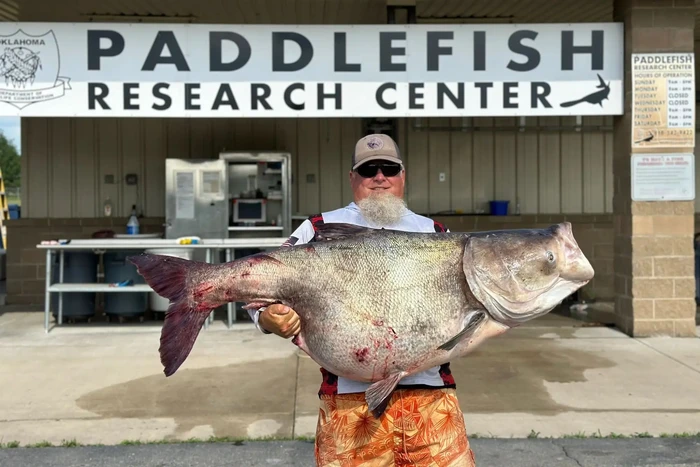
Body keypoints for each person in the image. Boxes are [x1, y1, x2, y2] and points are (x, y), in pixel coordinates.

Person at [248, 133, 476, 466]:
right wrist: (268, 318)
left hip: (430, 400)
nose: (380, 177)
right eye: (369, 170)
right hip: (349, 405)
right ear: (353, 178)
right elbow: (257, 289)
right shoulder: (318, 228)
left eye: (389, 169)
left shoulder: (436, 233)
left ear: (402, 176)